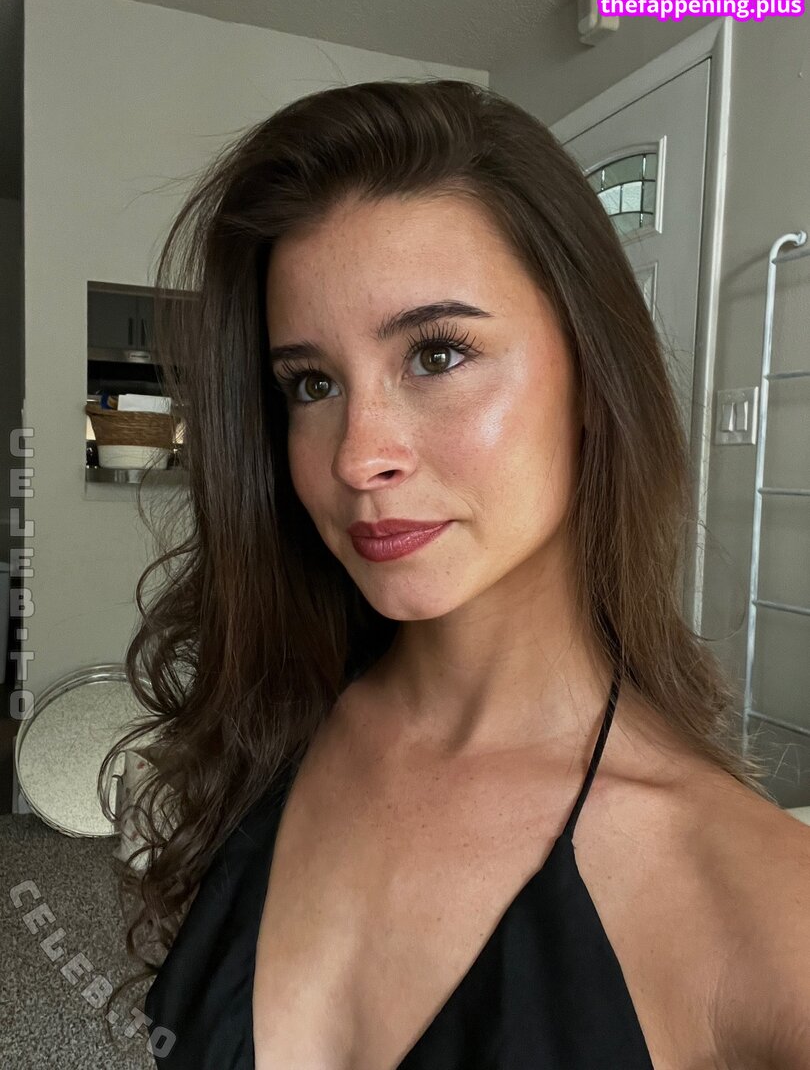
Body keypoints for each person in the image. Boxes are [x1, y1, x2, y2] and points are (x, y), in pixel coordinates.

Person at [101, 78, 810, 1069]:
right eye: (312, 383)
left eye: (436, 355)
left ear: (592, 373)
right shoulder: (270, 727)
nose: (359, 457)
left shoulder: (750, 895)